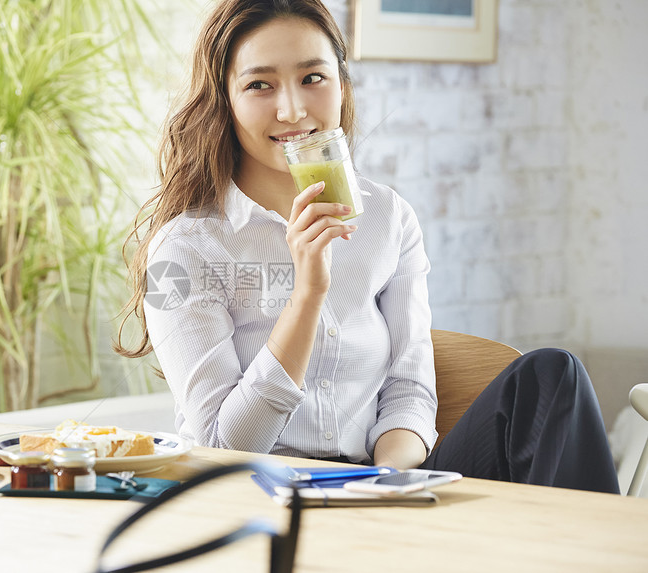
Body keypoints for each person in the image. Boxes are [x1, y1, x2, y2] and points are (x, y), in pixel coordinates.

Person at [115, 0, 620, 494]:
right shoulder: (184, 250)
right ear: (223, 100)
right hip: (258, 492)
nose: (292, 108)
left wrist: (383, 483)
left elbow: (409, 390)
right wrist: (307, 296)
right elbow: (222, 444)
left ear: (341, 84)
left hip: (377, 479)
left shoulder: (387, 217)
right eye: (259, 85)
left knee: (553, 374)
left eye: (313, 77)